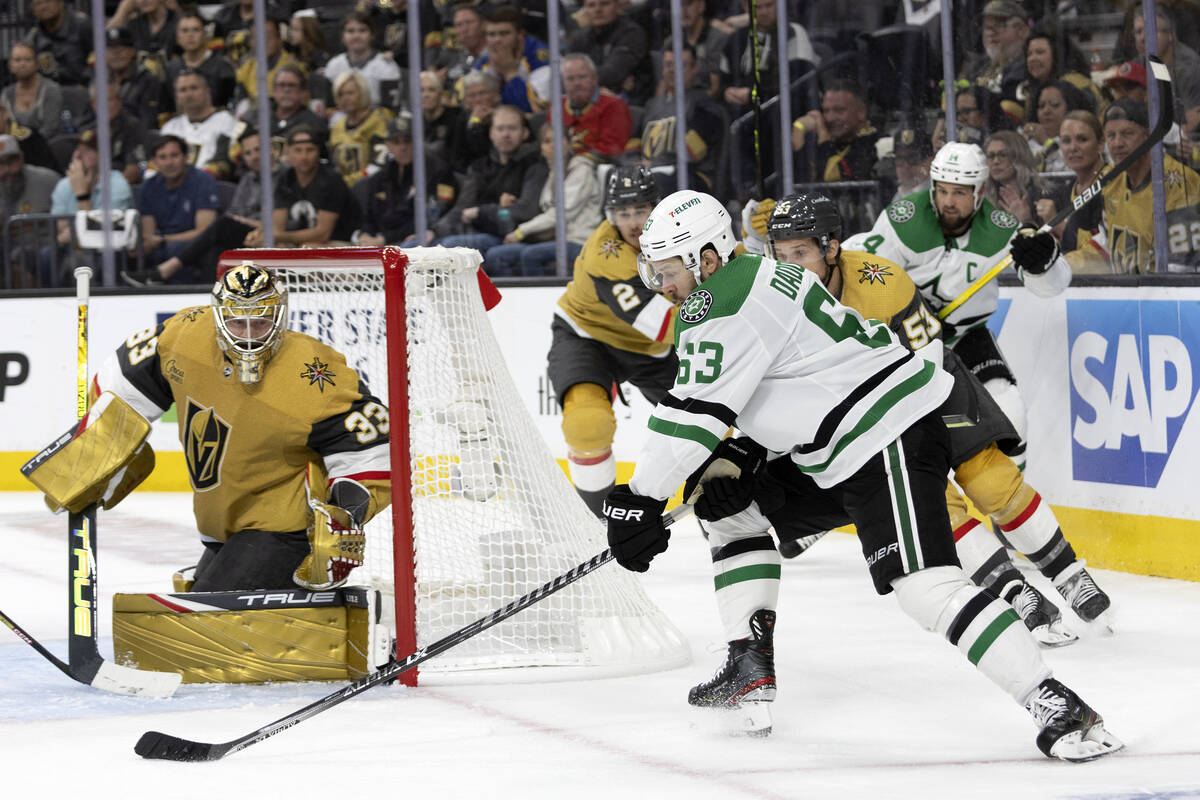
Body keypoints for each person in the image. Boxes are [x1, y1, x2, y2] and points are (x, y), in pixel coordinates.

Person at [604, 188, 1123, 762]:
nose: (661, 285)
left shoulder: (723, 303)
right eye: (651, 273)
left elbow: (692, 415)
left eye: (667, 270)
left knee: (926, 590)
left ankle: (1056, 703)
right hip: (835, 445)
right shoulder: (751, 275)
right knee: (726, 509)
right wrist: (743, 453)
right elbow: (781, 382)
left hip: (885, 435)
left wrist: (636, 498)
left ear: (706, 256)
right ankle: (748, 664)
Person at [737, 192, 1110, 645]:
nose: (792, 266)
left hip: (927, 386)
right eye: (782, 254)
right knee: (934, 506)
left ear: (832, 248)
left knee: (992, 482)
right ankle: (1016, 592)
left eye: (802, 253)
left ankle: (1069, 573)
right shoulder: (774, 296)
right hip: (862, 419)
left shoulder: (881, 279)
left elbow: (928, 357)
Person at [85, 262, 391, 592]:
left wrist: (344, 516)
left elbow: (372, 445)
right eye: (236, 323)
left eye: (259, 323)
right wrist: (101, 442)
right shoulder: (186, 335)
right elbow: (125, 375)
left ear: (279, 316)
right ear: (218, 316)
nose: (247, 335)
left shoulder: (313, 371)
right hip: (222, 526)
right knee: (198, 610)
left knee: (203, 624)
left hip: (282, 530)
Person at [842, 142, 1072, 472]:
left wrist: (1043, 261)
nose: (949, 202)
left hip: (965, 335)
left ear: (979, 193)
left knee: (1011, 411)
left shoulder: (1001, 229)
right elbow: (871, 277)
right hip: (908, 339)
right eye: (943, 191)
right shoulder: (902, 220)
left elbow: (1053, 287)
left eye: (960, 193)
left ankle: (1009, 509)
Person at [547, 165, 675, 516]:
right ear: (611, 215)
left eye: (640, 210)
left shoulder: (682, 234)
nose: (633, 222)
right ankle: (598, 525)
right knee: (587, 423)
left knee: (715, 434)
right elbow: (668, 325)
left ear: (656, 208)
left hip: (652, 350)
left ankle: (727, 522)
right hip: (587, 337)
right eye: (623, 213)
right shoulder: (607, 258)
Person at [1080, 98, 1200, 273]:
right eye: (1111, 136)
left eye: (1127, 134)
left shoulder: (1177, 182)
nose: (1117, 143)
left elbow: (1184, 267)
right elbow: (1106, 247)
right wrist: (1059, 266)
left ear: (1148, 136)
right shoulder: (1110, 179)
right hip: (1132, 291)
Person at [150, 126, 273, 284]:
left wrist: (245, 223)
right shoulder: (247, 179)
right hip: (244, 235)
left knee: (222, 224)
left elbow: (282, 224)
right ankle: (209, 299)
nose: (254, 156)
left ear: (272, 149)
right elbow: (234, 214)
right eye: (248, 153)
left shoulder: (284, 176)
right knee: (214, 251)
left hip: (268, 234)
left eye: (258, 150)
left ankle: (168, 268)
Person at [483, 121, 601, 275]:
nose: (554, 145)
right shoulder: (553, 173)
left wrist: (521, 231)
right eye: (547, 141)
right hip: (555, 241)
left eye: (559, 139)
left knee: (531, 255)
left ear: (569, 143)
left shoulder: (581, 171)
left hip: (579, 241)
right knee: (496, 255)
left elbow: (561, 213)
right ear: (541, 148)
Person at [431, 105, 546, 256]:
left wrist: (482, 212)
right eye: (500, 129)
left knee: (449, 246)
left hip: (509, 236)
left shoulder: (535, 165)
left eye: (512, 128)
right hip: (477, 231)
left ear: (525, 133)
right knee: (422, 245)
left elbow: (524, 212)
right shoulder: (479, 167)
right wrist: (433, 231)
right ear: (491, 133)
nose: (506, 134)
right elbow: (462, 208)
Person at [630, 44, 726, 194]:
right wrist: (632, 163)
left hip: (691, 179)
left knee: (653, 182)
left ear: (694, 68)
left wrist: (653, 165)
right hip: (650, 172)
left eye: (681, 65)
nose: (672, 69)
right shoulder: (652, 105)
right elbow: (634, 143)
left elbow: (690, 152)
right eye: (668, 64)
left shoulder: (704, 106)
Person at [247, 125, 362, 248]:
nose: (304, 157)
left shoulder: (332, 181)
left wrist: (274, 236)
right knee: (275, 245)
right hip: (302, 242)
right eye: (298, 150)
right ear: (288, 152)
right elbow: (278, 226)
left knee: (308, 246)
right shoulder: (286, 178)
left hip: (342, 242)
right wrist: (261, 235)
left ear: (319, 152)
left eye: (310, 150)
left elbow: (322, 234)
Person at [354, 114, 457, 247]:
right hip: (381, 241)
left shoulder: (437, 172)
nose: (402, 147)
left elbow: (430, 217)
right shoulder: (380, 178)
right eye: (396, 142)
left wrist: (384, 239)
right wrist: (365, 234)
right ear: (388, 145)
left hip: (416, 241)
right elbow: (368, 216)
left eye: (407, 141)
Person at [49, 131, 135, 285]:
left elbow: (97, 238)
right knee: (47, 255)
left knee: (85, 259)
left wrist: (82, 194)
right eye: (79, 149)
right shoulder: (64, 185)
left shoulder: (117, 184)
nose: (79, 154)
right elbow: (61, 230)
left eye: (88, 150)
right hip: (72, 250)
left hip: (109, 252)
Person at [137, 133, 220, 276]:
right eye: (162, 157)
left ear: (186, 157)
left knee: (175, 248)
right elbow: (148, 234)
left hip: (194, 246)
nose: (169, 162)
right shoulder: (149, 186)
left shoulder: (203, 181)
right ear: (154, 162)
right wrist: (148, 244)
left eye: (174, 155)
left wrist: (163, 240)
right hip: (162, 244)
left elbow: (204, 232)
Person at [1045, 110, 1108, 268]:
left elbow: (1106, 250)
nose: (1073, 147)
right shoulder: (1067, 191)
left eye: (1082, 139)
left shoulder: (1113, 184)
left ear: (1101, 144)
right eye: (1066, 141)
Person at [564, 0, 653, 105]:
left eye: (604, 3)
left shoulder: (632, 33)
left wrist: (579, 79)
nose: (598, 10)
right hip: (586, 101)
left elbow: (613, 74)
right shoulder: (579, 37)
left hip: (631, 102)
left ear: (617, 6)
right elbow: (565, 72)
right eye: (591, 5)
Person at [0, 133, 60, 289]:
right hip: (8, 249)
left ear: (21, 157)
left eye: (11, 161)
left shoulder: (48, 180)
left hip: (44, 246)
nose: (7, 169)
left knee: (45, 256)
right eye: (0, 163)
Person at [791, 79, 879, 183]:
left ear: (861, 112)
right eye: (826, 111)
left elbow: (831, 175)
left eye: (839, 110)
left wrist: (824, 136)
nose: (830, 118)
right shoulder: (830, 141)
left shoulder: (873, 142)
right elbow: (799, 179)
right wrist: (799, 129)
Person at [160, 70, 237, 180]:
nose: (189, 94)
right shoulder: (170, 128)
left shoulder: (227, 122)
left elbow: (223, 163)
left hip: (212, 186)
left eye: (194, 88)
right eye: (183, 90)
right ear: (176, 96)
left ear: (207, 91)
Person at [477, 5, 551, 114]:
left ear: (520, 34)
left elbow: (532, 110)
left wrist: (510, 73)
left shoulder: (540, 58)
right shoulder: (485, 59)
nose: (497, 40)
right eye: (491, 34)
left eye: (504, 33)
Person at [558, 53, 632, 161]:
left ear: (595, 78)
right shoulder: (556, 108)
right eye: (570, 79)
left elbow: (613, 148)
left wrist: (577, 158)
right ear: (563, 83)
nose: (577, 83)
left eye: (582, 77)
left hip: (595, 166)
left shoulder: (614, 106)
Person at [959, 0, 1030, 110]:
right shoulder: (975, 68)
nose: (991, 32)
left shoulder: (1030, 68)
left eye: (1000, 25)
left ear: (1022, 31)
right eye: (987, 27)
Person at [323, 12, 403, 109]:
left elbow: (391, 109)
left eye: (362, 30)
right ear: (342, 36)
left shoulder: (386, 65)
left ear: (372, 35)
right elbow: (329, 107)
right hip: (341, 119)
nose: (356, 36)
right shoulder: (333, 66)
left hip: (377, 120)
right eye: (350, 31)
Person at [327, 71, 393, 188]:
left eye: (350, 93)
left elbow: (378, 166)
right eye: (341, 94)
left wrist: (348, 183)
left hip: (372, 189)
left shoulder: (379, 121)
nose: (345, 98)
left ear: (362, 93)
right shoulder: (337, 127)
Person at [165, 9, 237, 111]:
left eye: (196, 30)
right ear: (177, 37)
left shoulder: (222, 66)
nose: (190, 35)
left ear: (204, 34)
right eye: (185, 31)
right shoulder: (171, 68)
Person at [1021, 81, 1094, 172]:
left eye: (1054, 105)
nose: (1046, 111)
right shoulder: (1029, 142)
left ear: (1070, 107)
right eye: (1041, 106)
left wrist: (1046, 141)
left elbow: (1071, 173)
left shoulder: (1083, 140)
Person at [983, 130, 1050, 227]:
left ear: (1018, 157)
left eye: (1002, 155)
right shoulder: (986, 197)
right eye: (991, 156)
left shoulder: (1042, 194)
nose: (996, 161)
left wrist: (1026, 221)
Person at [106, 25, 167, 130]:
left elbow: (148, 122)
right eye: (110, 48)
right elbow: (87, 120)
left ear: (133, 51)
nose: (116, 53)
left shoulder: (148, 80)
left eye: (122, 48)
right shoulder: (99, 80)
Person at [2, 41, 65, 142]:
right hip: (14, 150)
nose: (22, 64)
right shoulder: (7, 94)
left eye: (27, 59)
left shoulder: (51, 90)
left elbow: (51, 129)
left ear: (36, 64)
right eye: (17, 60)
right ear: (10, 66)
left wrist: (27, 145)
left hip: (46, 147)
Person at [25, 0, 93, 88]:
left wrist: (86, 82)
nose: (43, 7)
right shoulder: (33, 38)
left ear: (60, 3)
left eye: (48, 1)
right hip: (52, 94)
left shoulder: (82, 26)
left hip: (88, 89)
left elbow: (101, 56)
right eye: (38, 3)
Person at [420, 70, 462, 165]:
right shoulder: (415, 122)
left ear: (440, 94)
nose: (425, 95)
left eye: (431, 90)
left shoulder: (455, 120)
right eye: (421, 90)